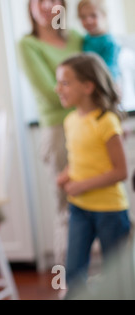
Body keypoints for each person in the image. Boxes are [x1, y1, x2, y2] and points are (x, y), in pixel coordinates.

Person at [55, 53, 131, 297]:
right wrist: (67, 174)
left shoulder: (106, 122)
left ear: (88, 86)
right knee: (74, 273)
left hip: (110, 211)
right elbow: (81, 158)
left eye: (65, 83)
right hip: (79, 209)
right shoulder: (70, 121)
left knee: (119, 276)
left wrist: (82, 185)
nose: (58, 89)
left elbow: (120, 171)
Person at [18, 0, 83, 266]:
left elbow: (100, 75)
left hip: (91, 126)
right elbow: (51, 92)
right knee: (67, 210)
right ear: (30, 8)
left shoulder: (77, 39)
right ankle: (68, 287)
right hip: (59, 132)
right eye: (38, 0)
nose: (46, 5)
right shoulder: (28, 44)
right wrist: (92, 96)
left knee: (103, 206)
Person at [78, 0, 121, 80]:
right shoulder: (85, 39)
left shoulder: (110, 43)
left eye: (93, 15)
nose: (88, 21)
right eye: (83, 17)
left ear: (104, 15)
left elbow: (111, 71)